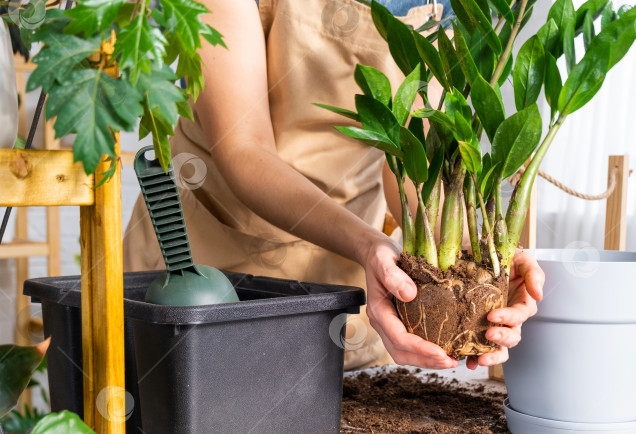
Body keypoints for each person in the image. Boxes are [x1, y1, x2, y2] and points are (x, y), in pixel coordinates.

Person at [123, 0, 544, 371]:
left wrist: (469, 264)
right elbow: (244, 150)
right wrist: (368, 245)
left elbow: (410, 160)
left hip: (344, 293)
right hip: (207, 279)